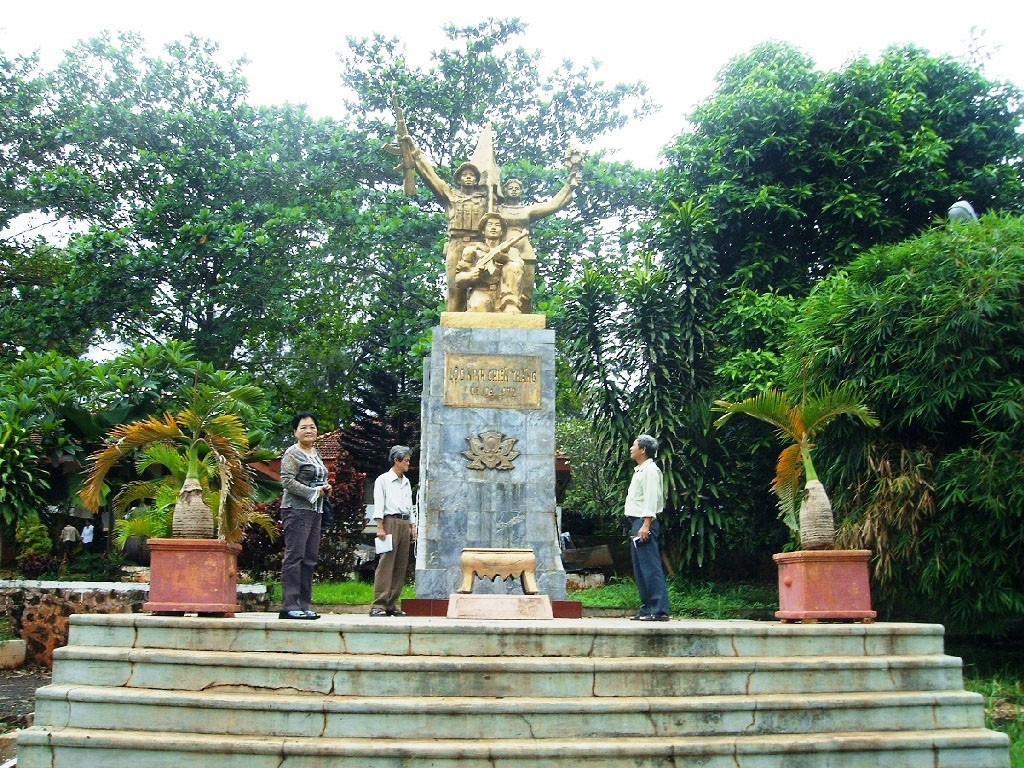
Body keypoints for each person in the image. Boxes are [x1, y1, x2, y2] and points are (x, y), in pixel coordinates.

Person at [278, 412, 331, 620]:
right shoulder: (292, 454)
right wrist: (313, 492)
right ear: (295, 432)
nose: (309, 431)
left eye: (312, 427)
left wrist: (325, 489)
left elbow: (319, 479)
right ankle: (289, 606)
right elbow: (287, 482)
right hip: (296, 510)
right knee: (295, 556)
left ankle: (303, 604)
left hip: (316, 511)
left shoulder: (315, 453)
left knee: (309, 558)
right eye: (303, 427)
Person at [497, 176, 578, 312]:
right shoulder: (497, 209)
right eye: (510, 188)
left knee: (526, 292)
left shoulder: (527, 210)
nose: (514, 191)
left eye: (517, 188)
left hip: (524, 250)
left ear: (522, 191)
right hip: (505, 252)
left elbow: (553, 205)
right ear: (504, 191)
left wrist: (569, 185)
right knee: (506, 286)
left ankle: (524, 323)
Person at [624, 434, 671, 621]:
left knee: (650, 567)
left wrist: (646, 524)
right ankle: (647, 609)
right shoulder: (641, 470)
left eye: (634, 445)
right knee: (641, 568)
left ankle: (659, 610)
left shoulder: (651, 470)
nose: (631, 448)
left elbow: (651, 498)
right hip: (637, 522)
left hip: (644, 523)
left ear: (643, 449)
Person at [370, 445, 415, 617]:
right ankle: (378, 604)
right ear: (396, 460)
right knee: (386, 563)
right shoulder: (383, 480)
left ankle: (391, 603)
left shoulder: (406, 481)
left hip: (404, 523)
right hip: (389, 521)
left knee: (400, 565)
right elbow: (379, 504)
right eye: (406, 461)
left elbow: (409, 505)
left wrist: (413, 526)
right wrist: (380, 527)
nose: (408, 464)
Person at [453, 213, 525, 313]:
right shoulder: (472, 251)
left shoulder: (512, 252)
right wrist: (470, 275)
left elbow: (518, 271)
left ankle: (510, 303)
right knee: (481, 307)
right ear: (483, 230)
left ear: (502, 232)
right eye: (490, 224)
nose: (493, 228)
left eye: (497, 225)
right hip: (481, 291)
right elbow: (458, 279)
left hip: (502, 294)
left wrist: (503, 259)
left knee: (513, 266)